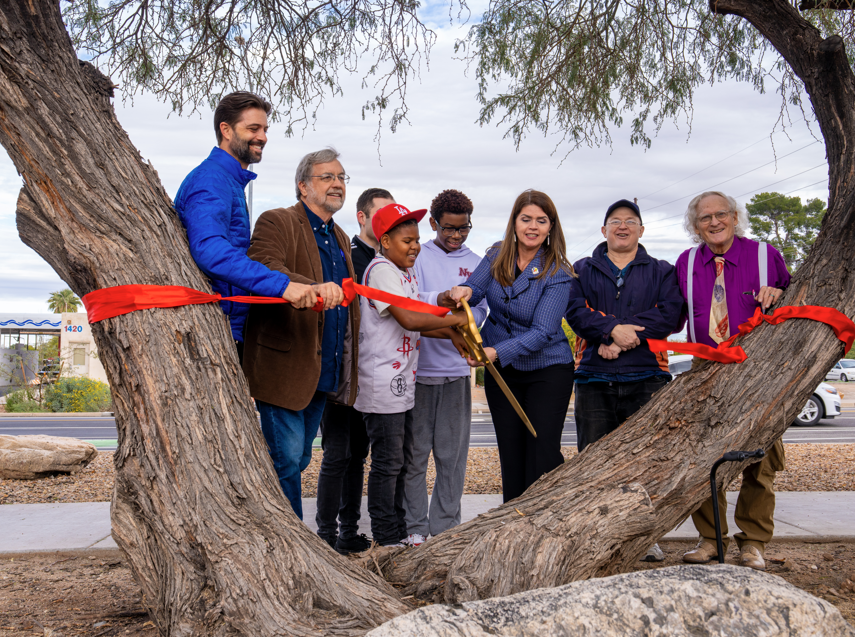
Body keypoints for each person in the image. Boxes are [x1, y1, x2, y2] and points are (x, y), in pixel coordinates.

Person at [676, 191, 790, 571]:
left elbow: (799, 302)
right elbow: (672, 313)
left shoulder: (765, 255)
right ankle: (712, 539)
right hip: (705, 370)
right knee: (705, 456)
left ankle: (753, 542)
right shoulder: (686, 262)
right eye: (704, 217)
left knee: (760, 459)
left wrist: (781, 292)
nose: (713, 222)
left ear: (735, 216)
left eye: (720, 214)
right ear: (695, 226)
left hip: (759, 372)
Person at [565, 198, 683, 562]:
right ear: (603, 230)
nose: (622, 226)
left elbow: (671, 314)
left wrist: (622, 337)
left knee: (646, 462)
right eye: (614, 221)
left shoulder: (662, 270)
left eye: (630, 221)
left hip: (648, 376)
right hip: (594, 378)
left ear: (641, 231)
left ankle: (644, 537)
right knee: (594, 460)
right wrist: (610, 332)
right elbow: (574, 311)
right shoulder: (582, 268)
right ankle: (595, 535)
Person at [241, 148, 354, 520]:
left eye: (341, 177)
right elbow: (262, 267)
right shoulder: (277, 221)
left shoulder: (339, 236)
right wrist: (316, 287)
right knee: (285, 461)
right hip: (284, 367)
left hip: (323, 369)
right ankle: (287, 544)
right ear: (303, 186)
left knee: (300, 457)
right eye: (328, 177)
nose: (337, 184)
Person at [443, 189, 576, 502]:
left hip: (547, 369)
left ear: (551, 227)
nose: (532, 226)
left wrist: (494, 352)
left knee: (542, 452)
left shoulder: (559, 271)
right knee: (511, 450)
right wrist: (461, 290)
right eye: (525, 218)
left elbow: (543, 331)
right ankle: (511, 523)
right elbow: (475, 290)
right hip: (503, 371)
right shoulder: (496, 253)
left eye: (541, 221)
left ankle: (544, 520)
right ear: (514, 222)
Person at [354, 203, 467, 547]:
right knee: (388, 463)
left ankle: (398, 528)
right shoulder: (381, 270)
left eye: (417, 239)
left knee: (399, 460)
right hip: (381, 385)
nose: (415, 246)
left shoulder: (404, 272)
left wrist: (451, 334)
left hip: (401, 383)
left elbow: (420, 316)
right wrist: (456, 322)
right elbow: (410, 319)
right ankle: (387, 535)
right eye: (407, 240)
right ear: (385, 241)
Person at [174, 92, 316, 359]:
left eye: (264, 129)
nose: (262, 137)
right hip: (211, 329)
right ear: (225, 130)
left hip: (226, 327)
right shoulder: (211, 179)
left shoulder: (228, 180)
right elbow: (209, 249)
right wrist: (283, 285)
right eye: (253, 128)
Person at [402, 189, 488, 547]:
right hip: (419, 372)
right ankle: (414, 528)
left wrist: (468, 323)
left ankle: (446, 526)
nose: (455, 236)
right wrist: (447, 315)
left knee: (452, 457)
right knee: (415, 456)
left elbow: (484, 309)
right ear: (434, 223)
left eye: (463, 229)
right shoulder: (418, 256)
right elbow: (408, 302)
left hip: (456, 372)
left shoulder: (479, 262)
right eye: (448, 229)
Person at [315, 188, 395, 554]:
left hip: (370, 376)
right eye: (379, 215)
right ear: (362, 218)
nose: (385, 223)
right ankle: (326, 535)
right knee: (337, 453)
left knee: (359, 455)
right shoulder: (349, 257)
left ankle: (348, 531)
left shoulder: (389, 264)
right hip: (343, 367)